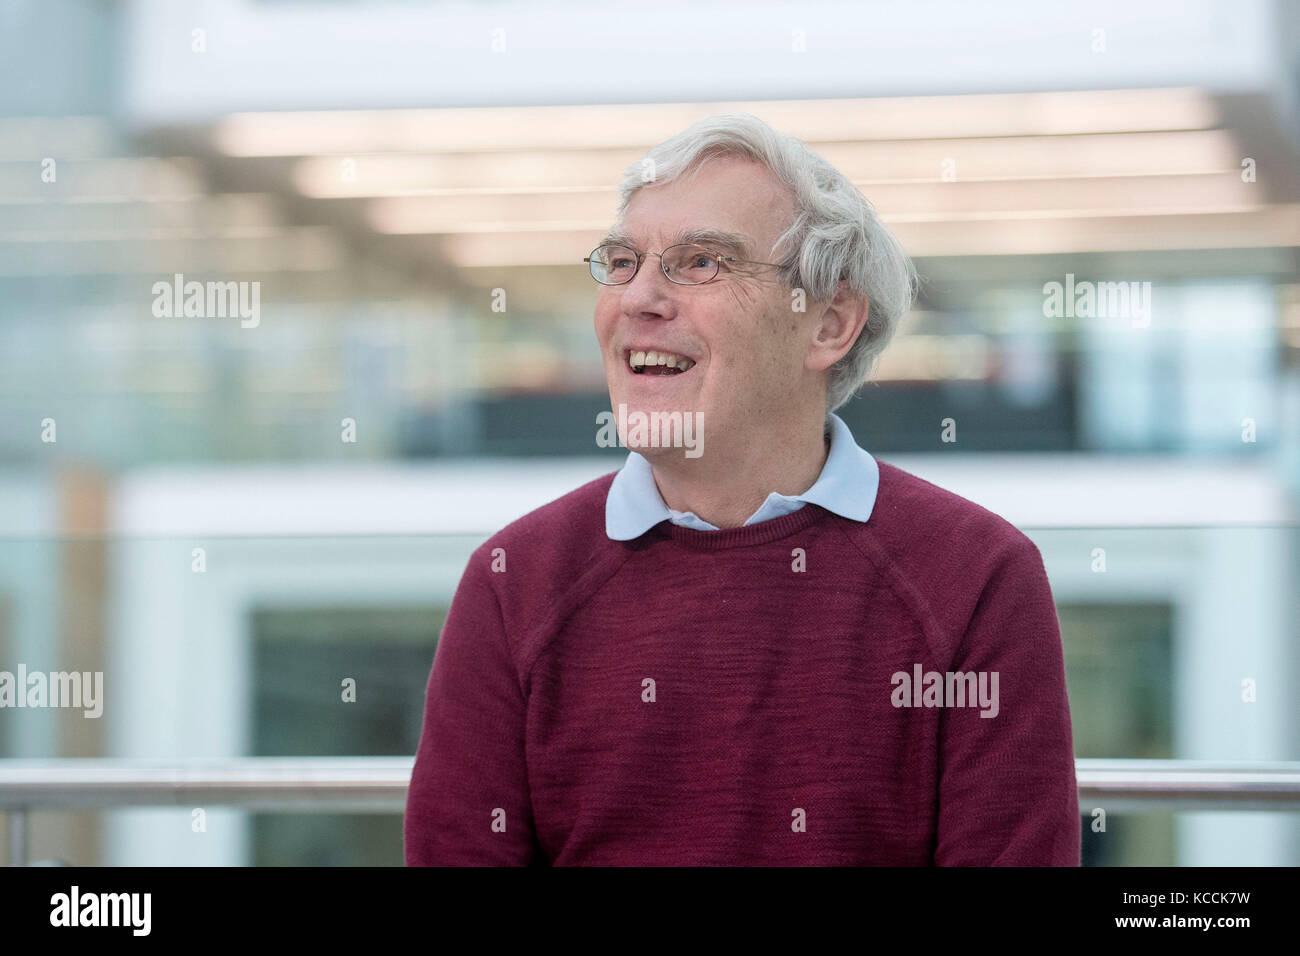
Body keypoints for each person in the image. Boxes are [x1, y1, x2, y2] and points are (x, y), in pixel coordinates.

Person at [405, 113, 1080, 865]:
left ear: (828, 323)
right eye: (622, 260)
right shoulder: (513, 582)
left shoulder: (976, 576)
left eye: (700, 263)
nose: (639, 299)